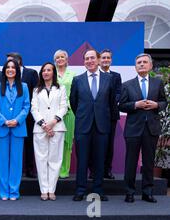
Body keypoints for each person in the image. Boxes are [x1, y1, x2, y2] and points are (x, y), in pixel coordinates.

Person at [119, 53, 167, 203]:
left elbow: (163, 102)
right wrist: (135, 105)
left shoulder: (158, 83)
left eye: (144, 62)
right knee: (131, 162)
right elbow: (121, 105)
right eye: (139, 62)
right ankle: (129, 192)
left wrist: (156, 105)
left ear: (150, 66)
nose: (141, 64)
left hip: (151, 128)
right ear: (135, 66)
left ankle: (147, 192)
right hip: (133, 129)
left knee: (148, 162)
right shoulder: (127, 84)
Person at [70, 49, 116, 202]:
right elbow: (74, 102)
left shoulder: (109, 79)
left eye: (92, 58)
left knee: (99, 160)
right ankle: (80, 190)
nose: (89, 61)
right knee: (82, 160)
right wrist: (84, 115)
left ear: (98, 60)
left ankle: (98, 189)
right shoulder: (77, 80)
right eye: (86, 59)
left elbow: (111, 103)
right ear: (84, 62)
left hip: (102, 126)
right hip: (83, 126)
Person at [0, 59, 29, 201]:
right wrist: (4, 121)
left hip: (18, 128)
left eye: (13, 67)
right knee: (2, 162)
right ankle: (4, 192)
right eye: (8, 67)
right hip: (1, 128)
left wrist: (17, 120)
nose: (10, 69)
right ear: (4, 70)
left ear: (17, 70)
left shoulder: (24, 87)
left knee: (16, 162)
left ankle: (14, 191)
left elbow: (26, 106)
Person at [31, 62, 67, 201]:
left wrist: (52, 122)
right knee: (41, 160)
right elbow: (34, 109)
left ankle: (51, 190)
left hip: (57, 127)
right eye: (44, 70)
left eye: (49, 70)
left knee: (55, 160)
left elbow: (63, 107)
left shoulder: (61, 88)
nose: (46, 72)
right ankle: (43, 190)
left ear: (54, 72)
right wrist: (44, 125)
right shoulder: (36, 90)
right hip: (40, 129)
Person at [6, 52, 38, 178]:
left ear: (18, 61)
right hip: (9, 117)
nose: (8, 65)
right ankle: (12, 172)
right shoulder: (5, 75)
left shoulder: (31, 73)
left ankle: (30, 169)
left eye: (10, 61)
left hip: (28, 116)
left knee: (29, 143)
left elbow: (36, 93)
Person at [97, 49, 122, 179]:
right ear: (99, 60)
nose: (105, 60)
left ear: (111, 60)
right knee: (95, 144)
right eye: (103, 58)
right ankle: (94, 171)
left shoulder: (116, 76)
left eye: (108, 58)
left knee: (108, 144)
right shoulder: (94, 75)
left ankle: (107, 170)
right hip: (95, 116)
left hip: (110, 115)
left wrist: (107, 104)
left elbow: (118, 93)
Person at [54, 50, 75, 179]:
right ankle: (54, 170)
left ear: (67, 60)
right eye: (57, 57)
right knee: (54, 142)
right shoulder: (50, 73)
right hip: (53, 114)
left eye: (62, 57)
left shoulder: (73, 75)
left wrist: (67, 106)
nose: (60, 59)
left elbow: (76, 94)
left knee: (67, 143)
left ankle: (64, 170)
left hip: (70, 112)